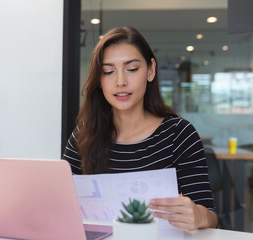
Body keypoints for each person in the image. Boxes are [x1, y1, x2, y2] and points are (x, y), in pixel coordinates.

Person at [63, 26, 218, 231]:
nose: (120, 82)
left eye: (132, 69)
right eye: (108, 72)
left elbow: (210, 216)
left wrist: (200, 217)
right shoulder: (84, 135)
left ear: (151, 70)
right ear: (99, 80)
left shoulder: (179, 135)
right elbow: (60, 203)